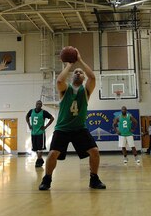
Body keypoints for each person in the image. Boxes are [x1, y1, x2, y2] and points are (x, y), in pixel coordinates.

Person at [38, 48, 106, 191]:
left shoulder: (86, 91)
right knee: (52, 154)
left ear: (83, 78)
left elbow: (92, 78)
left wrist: (79, 60)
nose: (78, 73)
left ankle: (94, 179)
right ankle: (47, 179)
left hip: (79, 129)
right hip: (62, 128)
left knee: (94, 151)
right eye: (76, 72)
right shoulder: (65, 89)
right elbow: (59, 80)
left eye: (80, 72)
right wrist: (69, 64)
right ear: (72, 76)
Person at [25, 100, 54, 167]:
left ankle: (38, 161)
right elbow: (26, 116)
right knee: (35, 148)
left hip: (41, 133)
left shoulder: (44, 112)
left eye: (40, 104)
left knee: (40, 148)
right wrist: (29, 124)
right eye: (37, 103)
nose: (38, 105)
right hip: (33, 133)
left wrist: (46, 126)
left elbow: (52, 118)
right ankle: (40, 159)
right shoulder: (31, 111)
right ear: (35, 104)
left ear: (41, 105)